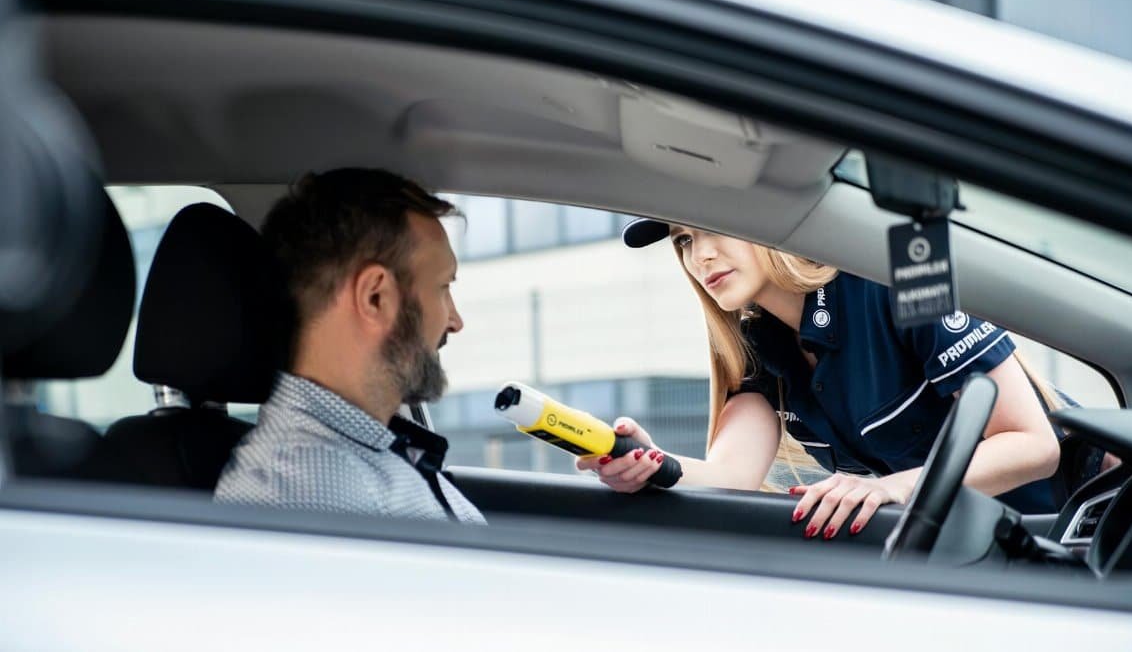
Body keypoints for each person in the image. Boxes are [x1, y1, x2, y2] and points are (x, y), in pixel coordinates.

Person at [578, 219, 1071, 539]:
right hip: (984, 544)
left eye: (713, 227)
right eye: (684, 240)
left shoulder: (898, 275)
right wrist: (648, 463)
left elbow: (1034, 445)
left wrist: (893, 489)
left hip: (1084, 522)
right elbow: (731, 477)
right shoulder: (756, 347)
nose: (700, 255)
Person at [216, 168, 484, 524]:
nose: (455, 321)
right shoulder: (303, 489)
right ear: (375, 297)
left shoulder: (372, 451)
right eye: (443, 287)